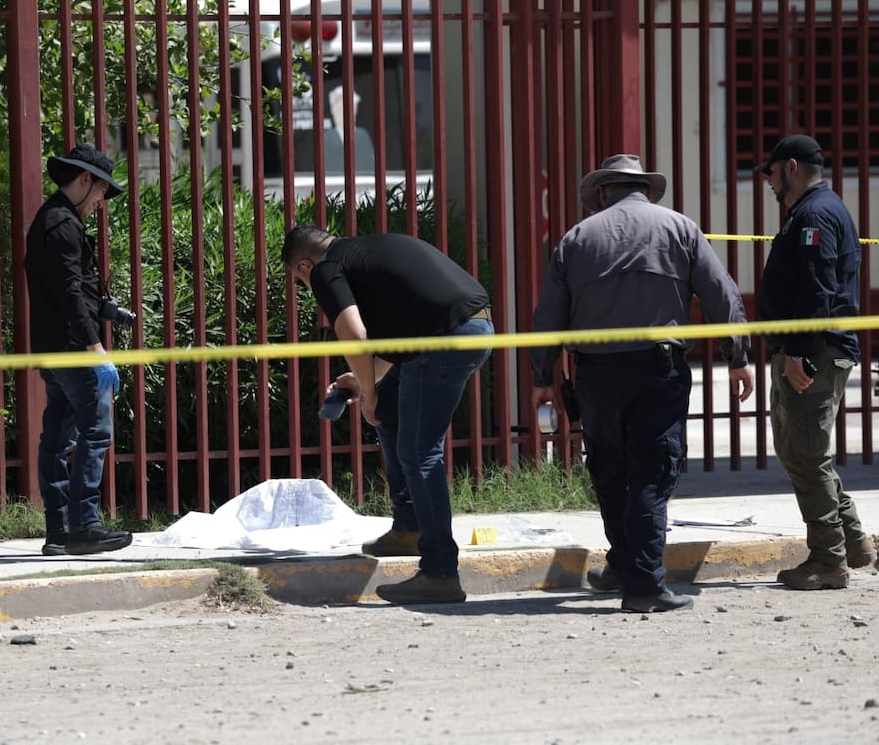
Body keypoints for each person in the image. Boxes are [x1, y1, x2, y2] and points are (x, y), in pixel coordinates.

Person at [529, 154, 754, 613]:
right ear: (647, 190)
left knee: (610, 472)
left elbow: (549, 313)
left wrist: (541, 376)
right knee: (652, 472)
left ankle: (623, 564)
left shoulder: (577, 238)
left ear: (603, 193)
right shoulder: (681, 229)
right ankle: (644, 583)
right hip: (659, 369)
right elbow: (721, 293)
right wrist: (739, 356)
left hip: (594, 373)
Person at [281, 224, 493, 604]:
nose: (307, 291)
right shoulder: (372, 250)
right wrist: (368, 382)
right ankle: (410, 527)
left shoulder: (326, 269)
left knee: (418, 452)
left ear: (304, 267)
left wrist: (367, 396)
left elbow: (354, 334)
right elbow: (403, 334)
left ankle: (440, 572)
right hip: (472, 326)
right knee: (392, 408)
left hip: (443, 340)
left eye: (300, 283)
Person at [755, 133, 874, 589]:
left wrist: (798, 352)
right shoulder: (814, 211)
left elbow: (816, 287)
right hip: (812, 349)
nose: (767, 182)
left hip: (814, 352)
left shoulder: (815, 213)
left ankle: (828, 561)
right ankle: (854, 540)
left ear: (790, 167)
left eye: (770, 173)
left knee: (805, 452)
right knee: (801, 451)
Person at [24, 144, 133, 556]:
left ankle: (58, 533)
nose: (102, 203)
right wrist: (96, 348)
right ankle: (85, 524)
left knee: (56, 438)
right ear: (85, 180)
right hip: (73, 348)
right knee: (95, 432)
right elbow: (69, 292)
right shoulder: (64, 225)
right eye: (102, 192)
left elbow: (62, 287)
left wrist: (102, 307)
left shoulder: (49, 220)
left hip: (52, 348)